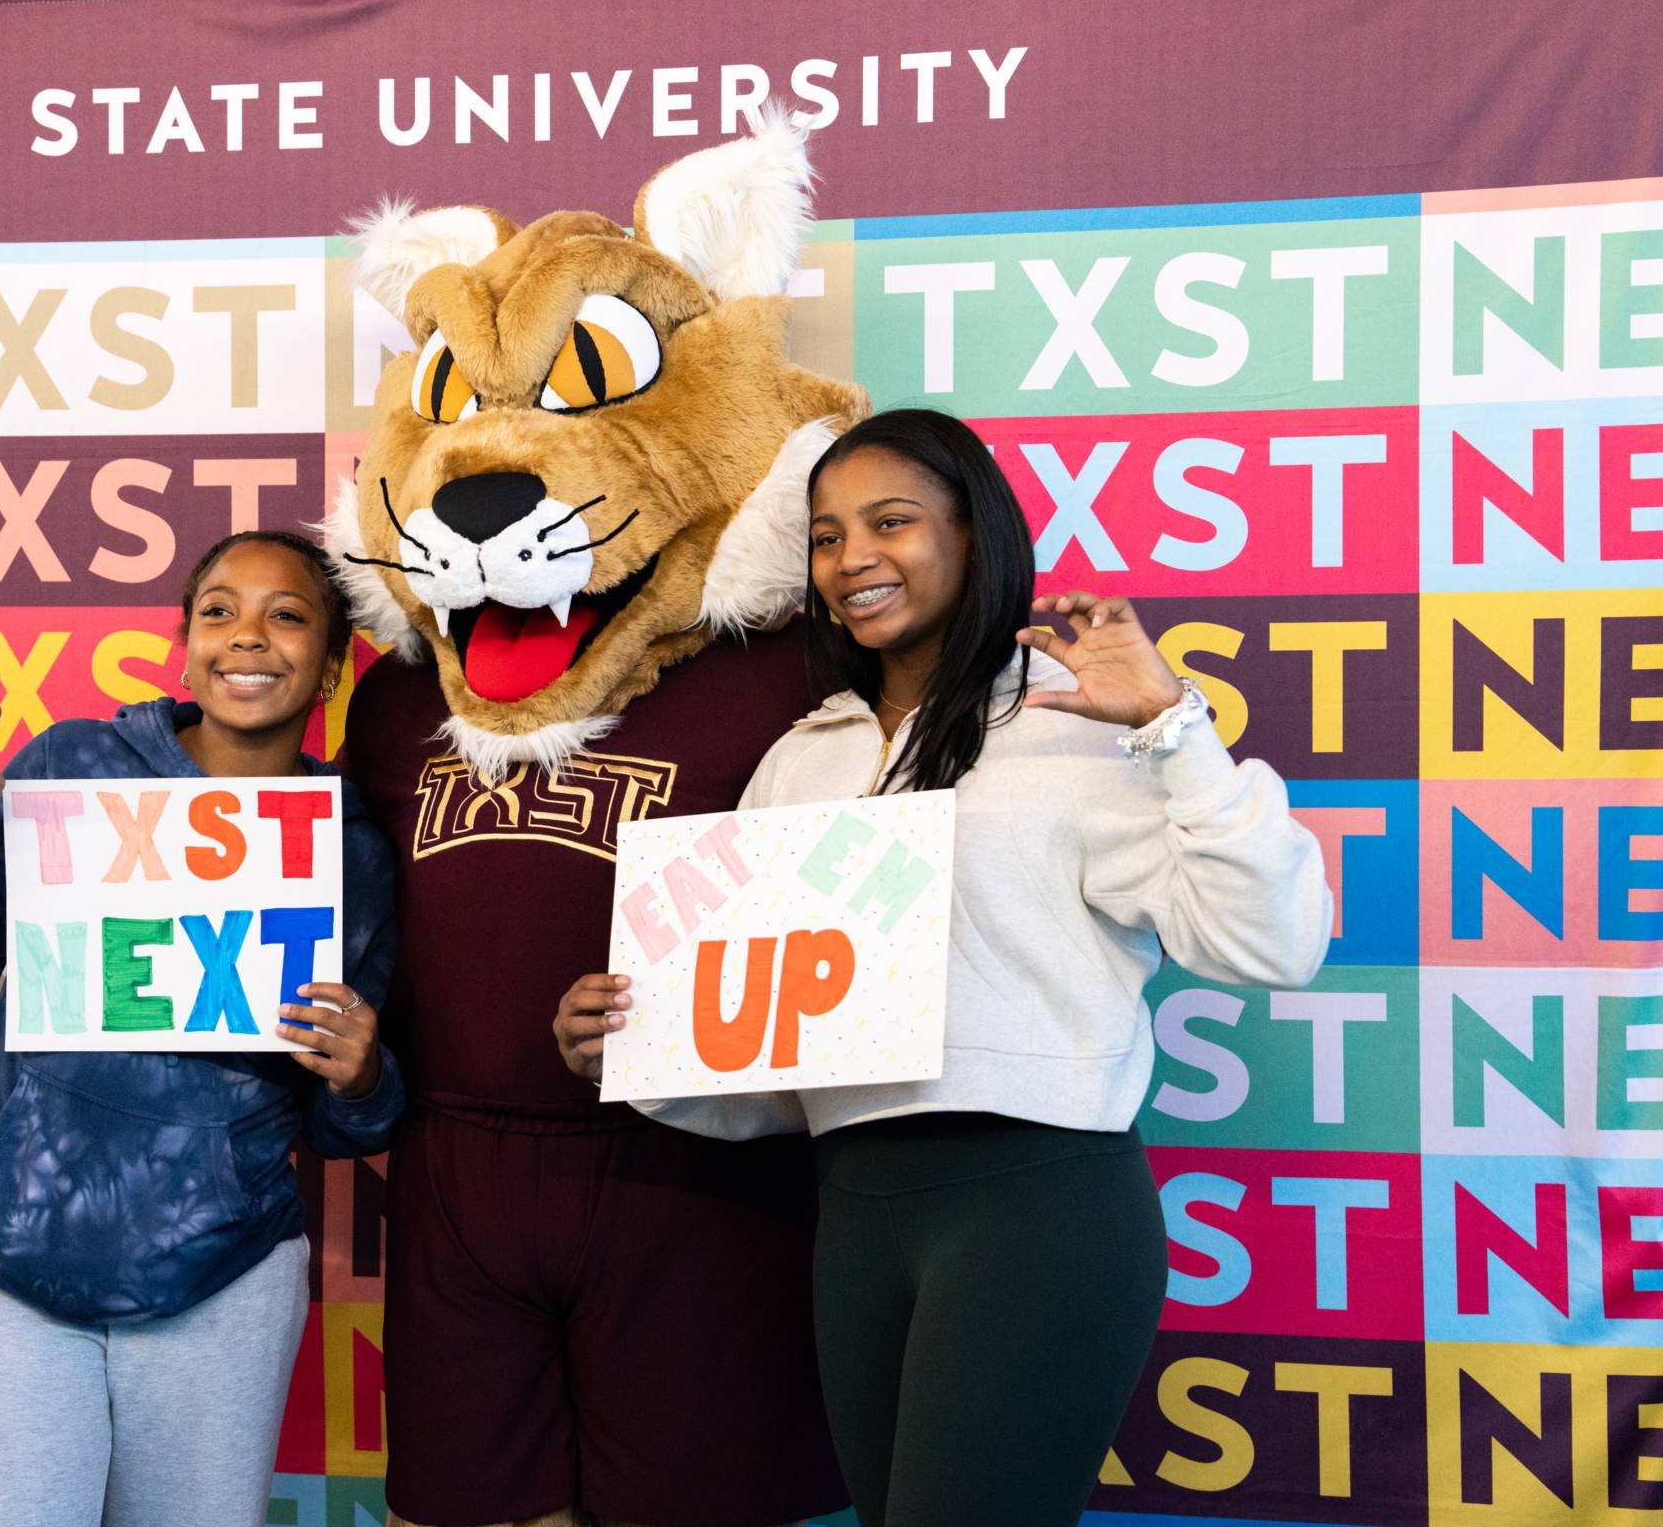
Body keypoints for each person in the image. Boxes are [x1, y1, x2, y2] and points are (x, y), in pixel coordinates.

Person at [551, 409, 1333, 1527]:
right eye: (826, 537)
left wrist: (1172, 725)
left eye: (891, 522)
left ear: (976, 534)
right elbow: (783, 1074)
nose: (852, 558)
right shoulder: (799, 762)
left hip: (1040, 1208)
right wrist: (637, 1046)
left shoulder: (1081, 727)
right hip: (858, 1213)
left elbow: (1275, 943)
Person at [0, 530, 404, 1527]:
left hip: (222, 1283)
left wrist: (361, 1078)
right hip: (3, 1262)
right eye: (219, 612)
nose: (249, 636)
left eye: (287, 615)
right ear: (187, 644)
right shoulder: (77, 761)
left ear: (333, 663)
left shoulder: (352, 850)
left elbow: (343, 1128)